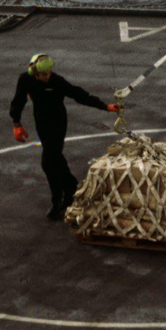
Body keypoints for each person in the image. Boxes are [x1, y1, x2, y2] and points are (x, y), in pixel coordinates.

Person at [9, 53, 119, 220]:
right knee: (56, 158)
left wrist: (105, 107)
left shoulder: (57, 81)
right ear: (35, 73)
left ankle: (57, 200)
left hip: (58, 122)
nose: (47, 77)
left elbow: (79, 95)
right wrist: (16, 123)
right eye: (44, 75)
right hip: (41, 122)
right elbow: (18, 101)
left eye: (49, 73)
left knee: (47, 162)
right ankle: (71, 188)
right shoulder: (25, 79)